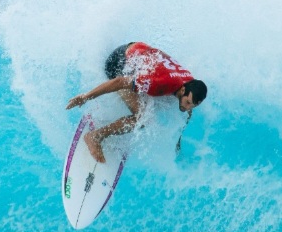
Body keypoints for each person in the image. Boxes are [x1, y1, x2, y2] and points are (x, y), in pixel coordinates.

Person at [66, 42, 207, 162]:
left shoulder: (190, 83)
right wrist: (86, 97)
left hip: (137, 49)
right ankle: (95, 136)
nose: (188, 107)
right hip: (117, 63)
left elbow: (189, 110)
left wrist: (178, 139)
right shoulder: (158, 84)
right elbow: (119, 82)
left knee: (151, 100)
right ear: (182, 91)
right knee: (142, 117)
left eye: (193, 105)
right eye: (188, 103)